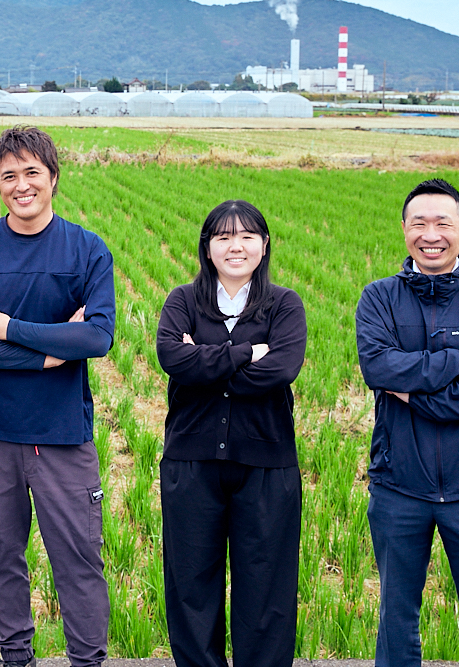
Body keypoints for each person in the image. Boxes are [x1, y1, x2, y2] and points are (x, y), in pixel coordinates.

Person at [0, 126, 114, 667]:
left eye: (32, 172)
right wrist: (47, 354)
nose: (22, 185)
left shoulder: (87, 249)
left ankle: (87, 661)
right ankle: (14, 656)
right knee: (0, 554)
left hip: (61, 431)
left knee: (79, 557)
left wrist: (10, 328)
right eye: (8, 176)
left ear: (53, 177)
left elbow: (97, 338)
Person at [357, 178, 459, 667]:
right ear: (404, 229)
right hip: (399, 484)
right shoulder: (379, 298)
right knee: (396, 616)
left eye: (443, 224)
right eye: (419, 224)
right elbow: (379, 368)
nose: (431, 235)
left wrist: (419, 398)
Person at [155, 200, 308, 667]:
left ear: (264, 245)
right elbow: (172, 358)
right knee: (190, 586)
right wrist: (245, 353)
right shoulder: (183, 301)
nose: (235, 246)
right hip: (191, 462)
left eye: (246, 236)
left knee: (266, 590)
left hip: (266, 465)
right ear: (207, 248)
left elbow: (281, 370)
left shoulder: (284, 304)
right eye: (223, 237)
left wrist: (204, 361)